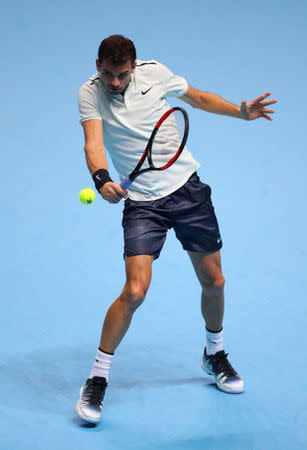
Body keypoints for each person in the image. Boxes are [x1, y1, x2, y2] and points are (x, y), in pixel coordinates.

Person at [76, 35, 276, 423]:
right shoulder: (89, 93)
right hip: (143, 206)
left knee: (214, 281)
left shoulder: (156, 74)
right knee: (135, 291)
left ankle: (214, 353)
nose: (114, 82)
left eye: (121, 75)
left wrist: (240, 111)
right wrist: (102, 179)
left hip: (188, 191)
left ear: (133, 68)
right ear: (98, 64)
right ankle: (97, 377)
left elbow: (198, 98)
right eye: (108, 73)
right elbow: (93, 144)